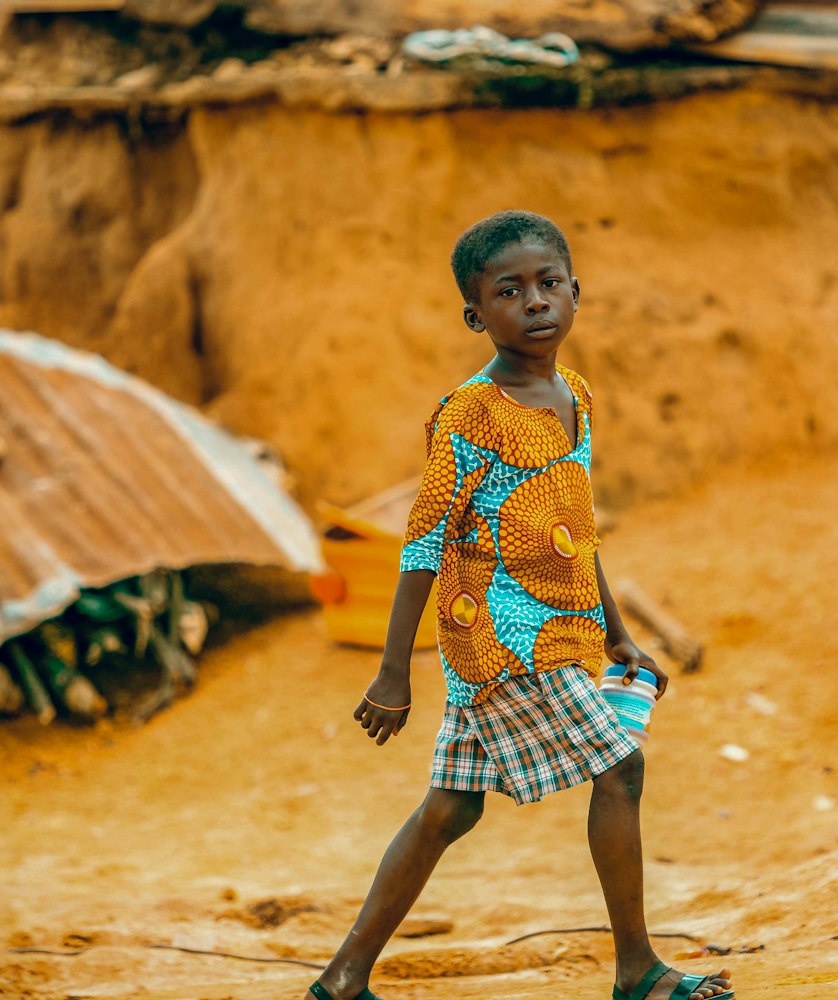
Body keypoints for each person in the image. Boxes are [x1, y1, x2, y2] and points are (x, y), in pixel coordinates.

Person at [305, 211, 735, 1000]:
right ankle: (637, 969)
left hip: (563, 626)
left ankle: (341, 980)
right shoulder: (471, 413)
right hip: (503, 637)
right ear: (477, 316)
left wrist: (618, 635)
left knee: (451, 807)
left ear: (577, 292)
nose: (535, 302)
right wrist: (393, 671)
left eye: (548, 284)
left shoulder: (574, 394)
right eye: (510, 291)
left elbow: (577, 523)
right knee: (621, 766)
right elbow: (423, 543)